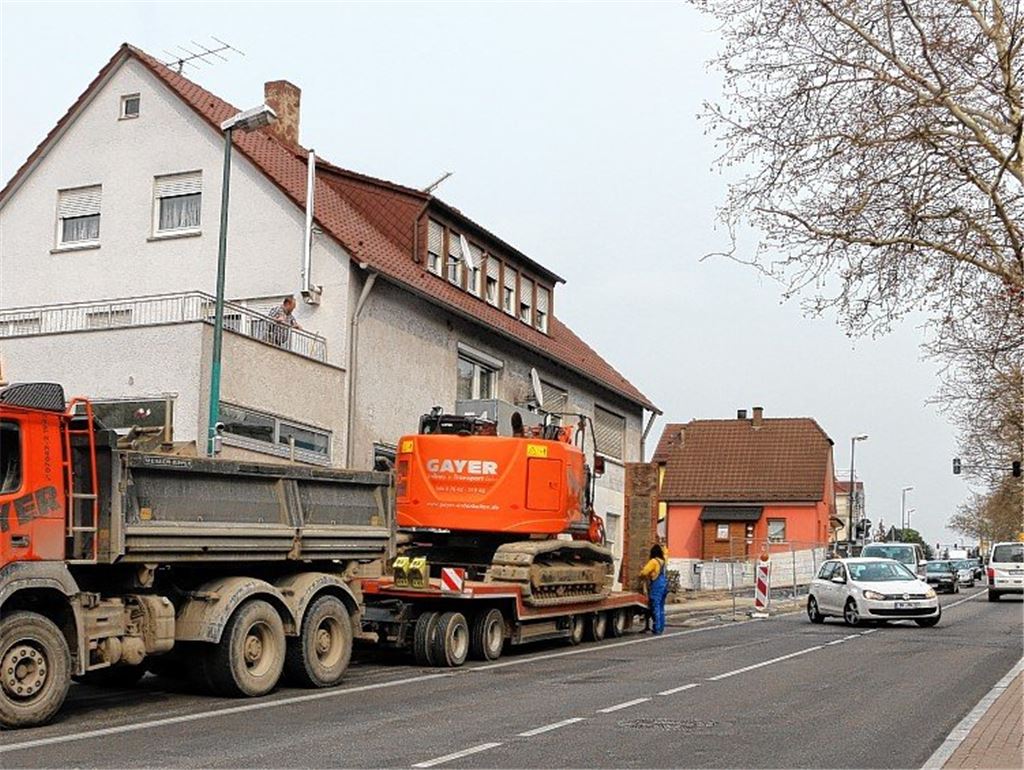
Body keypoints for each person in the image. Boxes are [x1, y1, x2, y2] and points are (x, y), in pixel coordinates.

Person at [639, 543, 668, 635]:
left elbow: (644, 572)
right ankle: (661, 627)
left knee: (655, 606)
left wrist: (640, 573)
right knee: (661, 607)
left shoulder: (654, 561)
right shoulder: (664, 561)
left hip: (657, 585)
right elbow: (666, 552)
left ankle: (657, 628)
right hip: (664, 584)